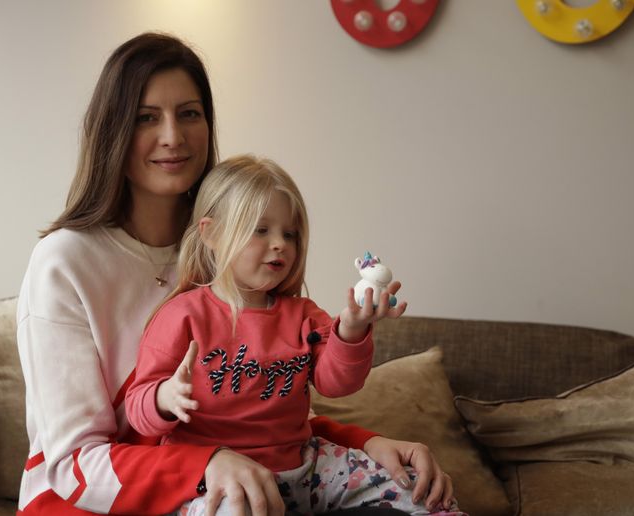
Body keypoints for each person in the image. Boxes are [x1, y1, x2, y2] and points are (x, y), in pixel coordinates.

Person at [16, 32, 455, 515]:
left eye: (190, 113)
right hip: (89, 502)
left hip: (229, 482)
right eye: (146, 117)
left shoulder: (237, 246)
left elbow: (257, 406)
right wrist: (206, 464)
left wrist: (367, 444)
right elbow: (72, 465)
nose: (173, 136)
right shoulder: (64, 261)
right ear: (112, 130)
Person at [125, 155, 462, 516]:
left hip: (308, 467)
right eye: (261, 230)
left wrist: (351, 330)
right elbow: (137, 409)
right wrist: (163, 397)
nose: (280, 244)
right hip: (221, 480)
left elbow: (336, 383)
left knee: (414, 486)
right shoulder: (182, 316)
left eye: (289, 234)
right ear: (212, 234)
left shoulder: (303, 315)